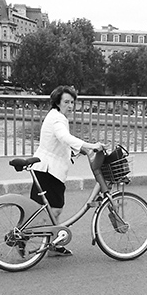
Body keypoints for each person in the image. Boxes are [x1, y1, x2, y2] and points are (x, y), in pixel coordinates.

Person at [30, 85, 106, 256]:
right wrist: (91, 145)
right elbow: (64, 137)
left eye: (72, 102)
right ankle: (23, 238)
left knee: (51, 210)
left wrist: (82, 150)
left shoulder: (57, 116)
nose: (70, 106)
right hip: (48, 170)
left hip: (49, 169)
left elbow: (61, 143)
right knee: (52, 210)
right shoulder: (57, 119)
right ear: (58, 102)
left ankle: (52, 245)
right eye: (66, 102)